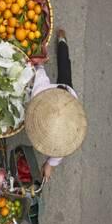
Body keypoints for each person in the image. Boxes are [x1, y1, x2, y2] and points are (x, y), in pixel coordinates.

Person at [26, 29, 88, 181]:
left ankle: (62, 42)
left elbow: (57, 154)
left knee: (65, 69)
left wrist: (49, 165)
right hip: (65, 92)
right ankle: (62, 41)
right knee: (64, 68)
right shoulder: (40, 92)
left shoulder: (66, 135)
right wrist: (38, 65)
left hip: (68, 94)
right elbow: (39, 73)